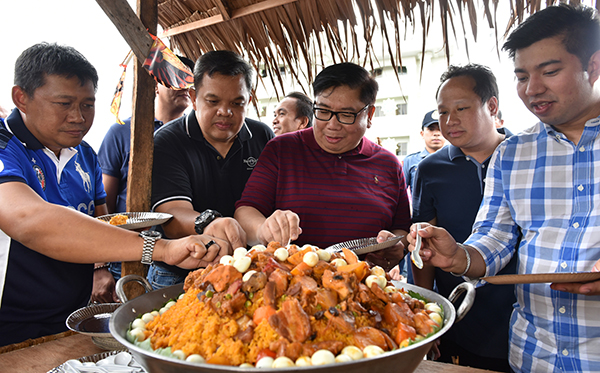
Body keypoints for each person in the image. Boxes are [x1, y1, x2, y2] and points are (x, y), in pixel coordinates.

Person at [407, 5, 600, 372]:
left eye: (550, 71)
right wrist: (458, 256)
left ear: (593, 65)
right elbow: (494, 239)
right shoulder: (513, 153)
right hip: (531, 355)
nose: (532, 89)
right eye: (522, 75)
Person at [0, 43, 228, 347]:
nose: (78, 117)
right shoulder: (5, 145)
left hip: (71, 318)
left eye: (87, 104)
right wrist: (159, 249)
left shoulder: (85, 155)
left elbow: (104, 220)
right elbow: (29, 219)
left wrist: (102, 267)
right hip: (9, 325)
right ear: (21, 98)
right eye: (63, 103)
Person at [234, 62, 411, 271]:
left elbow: (401, 230)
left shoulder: (388, 164)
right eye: (323, 111)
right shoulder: (282, 150)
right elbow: (246, 211)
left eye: (346, 115)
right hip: (290, 283)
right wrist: (264, 227)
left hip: (364, 286)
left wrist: (396, 246)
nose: (332, 125)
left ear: (369, 115)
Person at [410, 64, 516, 372]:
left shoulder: (525, 157)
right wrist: (429, 310)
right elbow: (424, 248)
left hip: (525, 305)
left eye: (461, 108)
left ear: (492, 105)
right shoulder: (430, 169)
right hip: (463, 309)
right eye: (442, 112)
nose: (449, 121)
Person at [147, 50, 274, 289]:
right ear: (194, 97)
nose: (225, 112)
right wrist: (208, 222)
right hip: (181, 272)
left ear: (249, 99)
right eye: (213, 101)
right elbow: (171, 215)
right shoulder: (167, 141)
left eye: (237, 103)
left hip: (246, 270)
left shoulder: (263, 136)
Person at [94, 56, 195, 303]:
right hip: (125, 256)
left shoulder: (194, 139)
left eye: (189, 81)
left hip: (179, 258)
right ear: (155, 86)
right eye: (175, 79)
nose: (183, 87)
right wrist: (100, 265)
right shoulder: (121, 132)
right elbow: (102, 203)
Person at [402, 109, 445, 192]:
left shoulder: (455, 160)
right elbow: (399, 193)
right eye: (431, 129)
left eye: (440, 129)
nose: (436, 133)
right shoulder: (410, 161)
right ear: (422, 134)